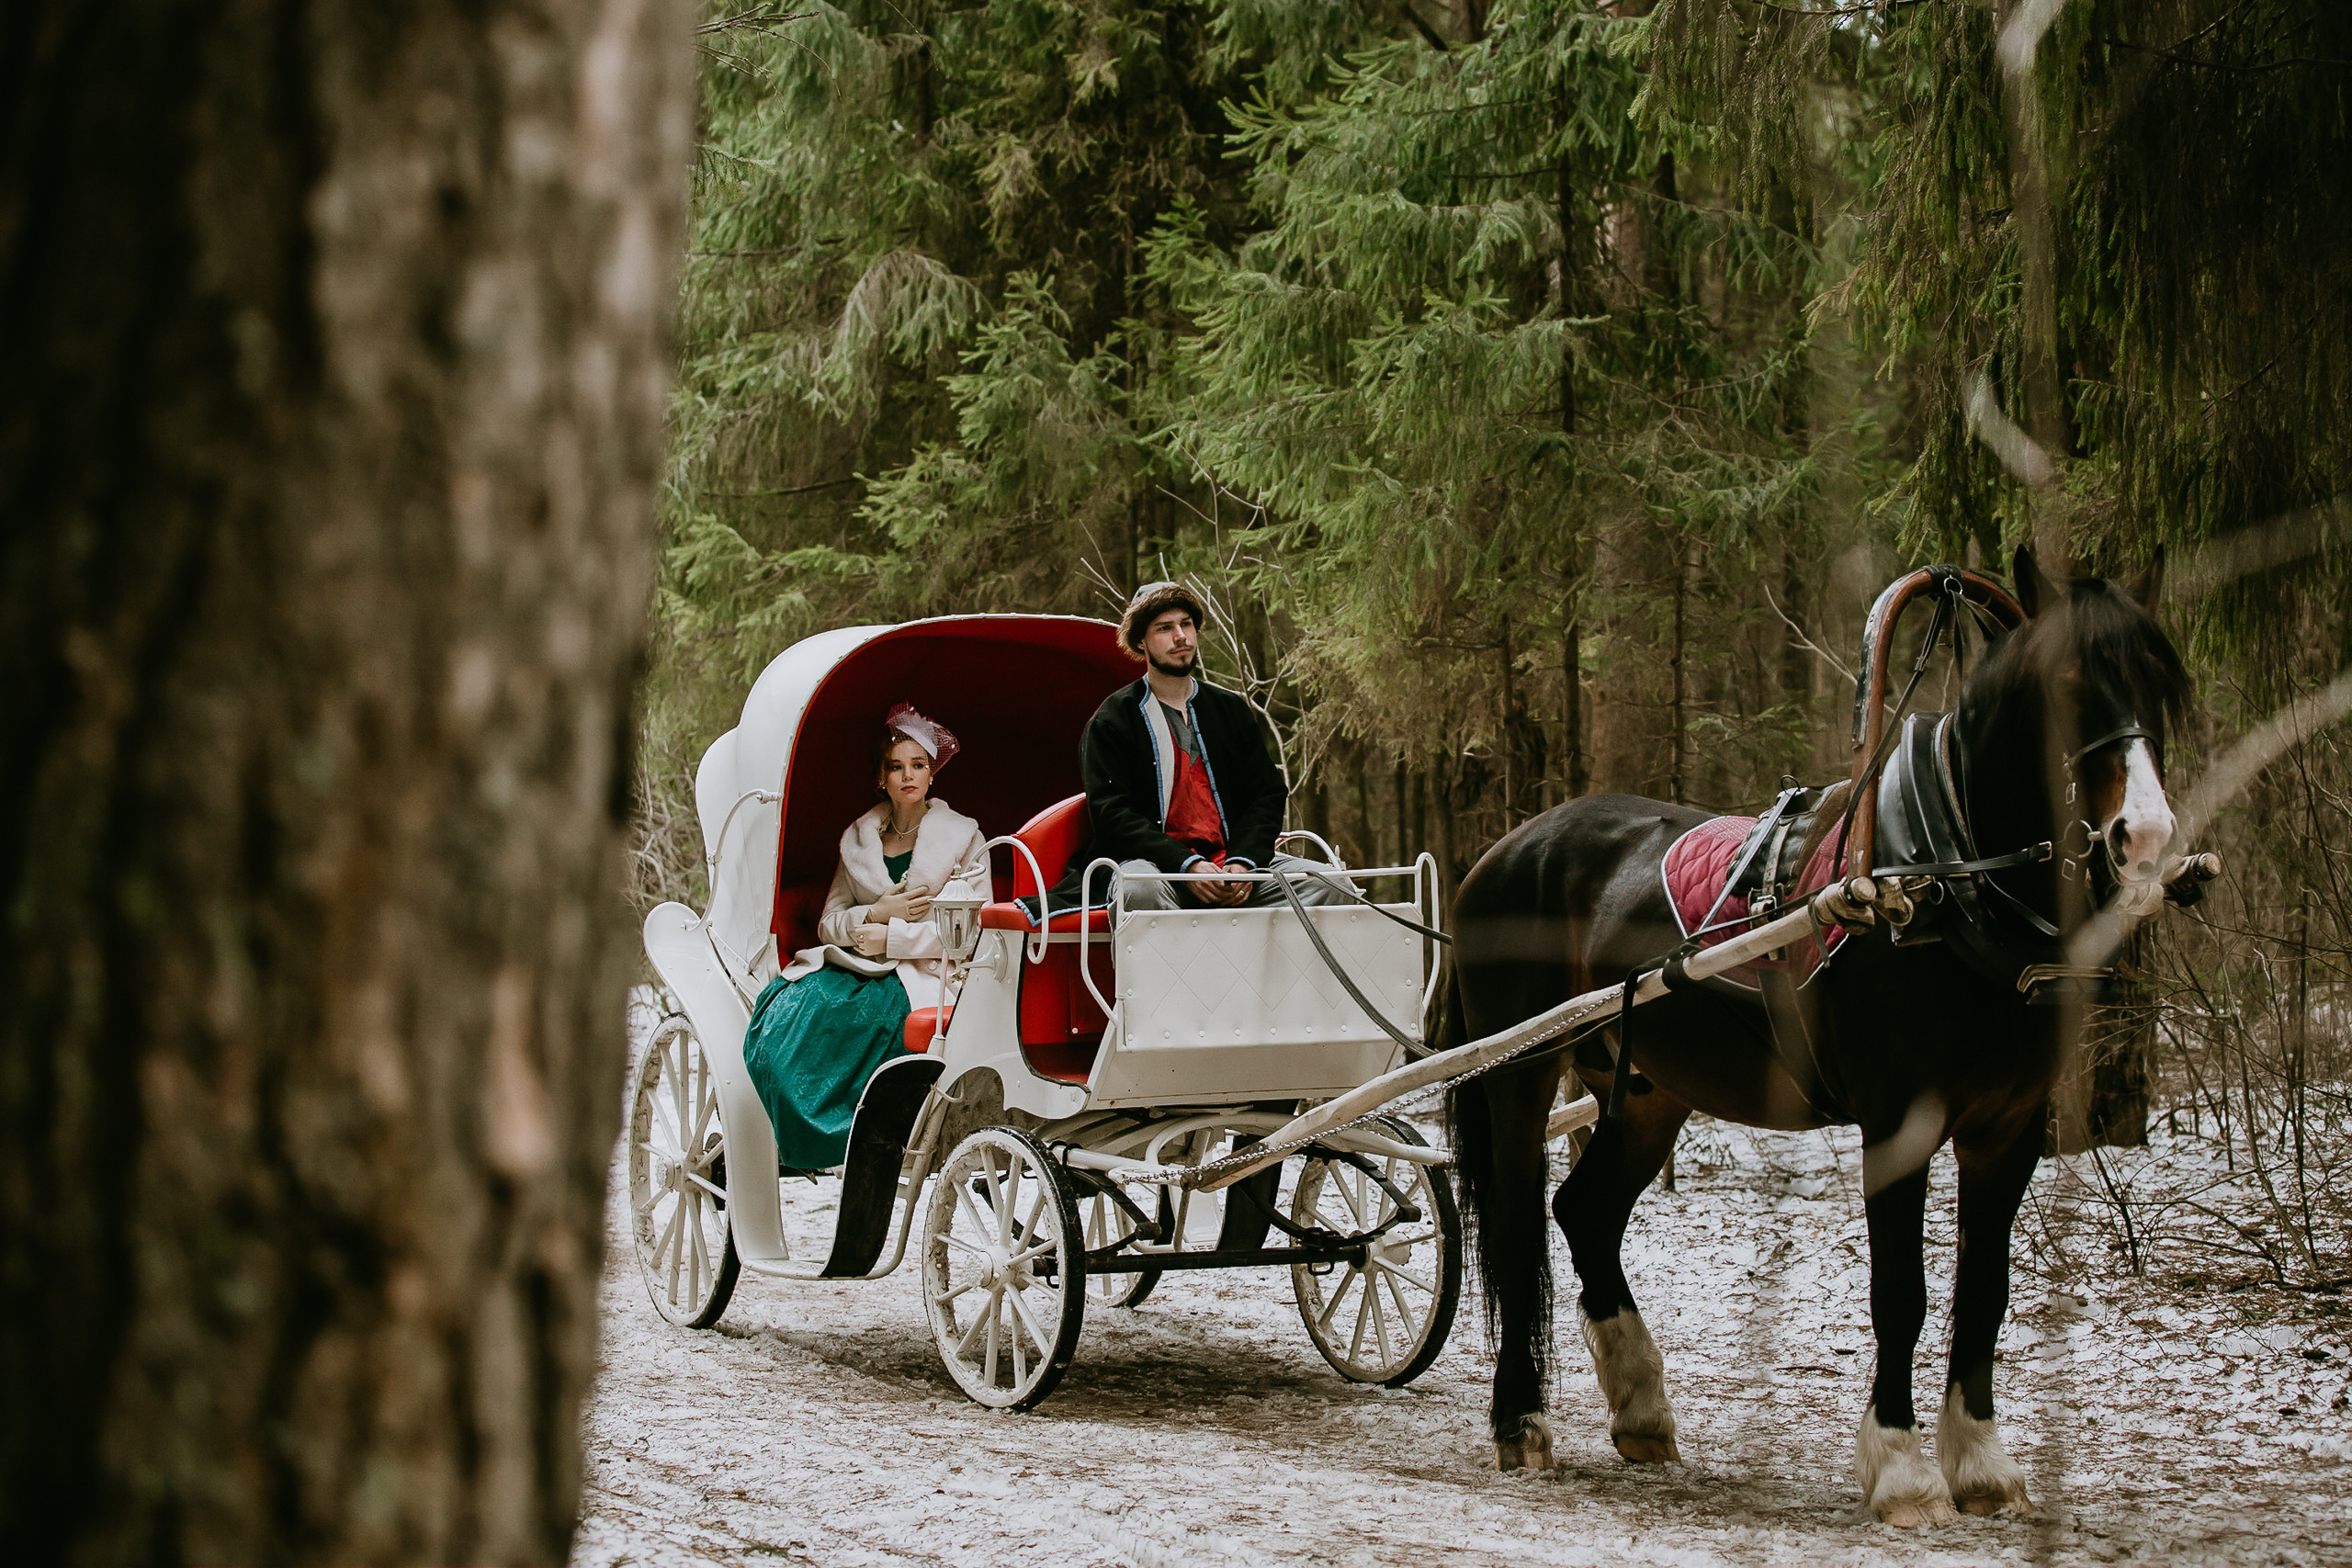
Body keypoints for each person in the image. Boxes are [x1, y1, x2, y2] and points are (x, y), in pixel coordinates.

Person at [741, 704, 986, 1170]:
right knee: (788, 1010)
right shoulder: (858, 840)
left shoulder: (964, 838)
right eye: (896, 767)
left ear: (933, 776)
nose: (907, 776)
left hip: (926, 971)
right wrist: (873, 913)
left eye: (918, 766)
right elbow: (829, 922)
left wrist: (890, 938)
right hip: (856, 962)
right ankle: (801, 1136)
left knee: (862, 1016)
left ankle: (854, 1137)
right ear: (881, 778)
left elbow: (968, 933)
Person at [1059, 581, 1351, 912]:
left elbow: (1266, 795)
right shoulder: (1112, 721)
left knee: (1331, 884)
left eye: (1186, 624)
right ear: (1141, 641)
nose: (1181, 636)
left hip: (1233, 866)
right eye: (1165, 628)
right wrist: (1186, 865)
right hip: (1153, 866)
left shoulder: (1230, 710)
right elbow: (1112, 815)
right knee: (1139, 891)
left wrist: (1243, 865)